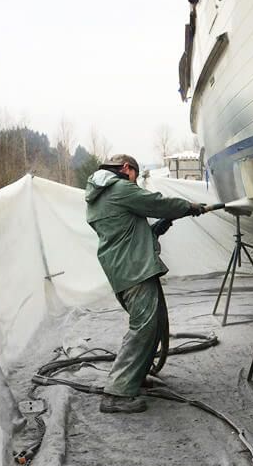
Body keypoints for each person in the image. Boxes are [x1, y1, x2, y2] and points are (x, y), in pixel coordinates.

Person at [85, 154, 203, 413]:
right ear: (127, 169)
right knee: (143, 328)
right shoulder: (119, 188)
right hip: (134, 270)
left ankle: (134, 377)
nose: (135, 182)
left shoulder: (100, 196)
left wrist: (155, 230)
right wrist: (189, 207)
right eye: (135, 177)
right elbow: (156, 203)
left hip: (126, 269)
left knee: (154, 324)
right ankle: (117, 392)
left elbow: (124, 233)